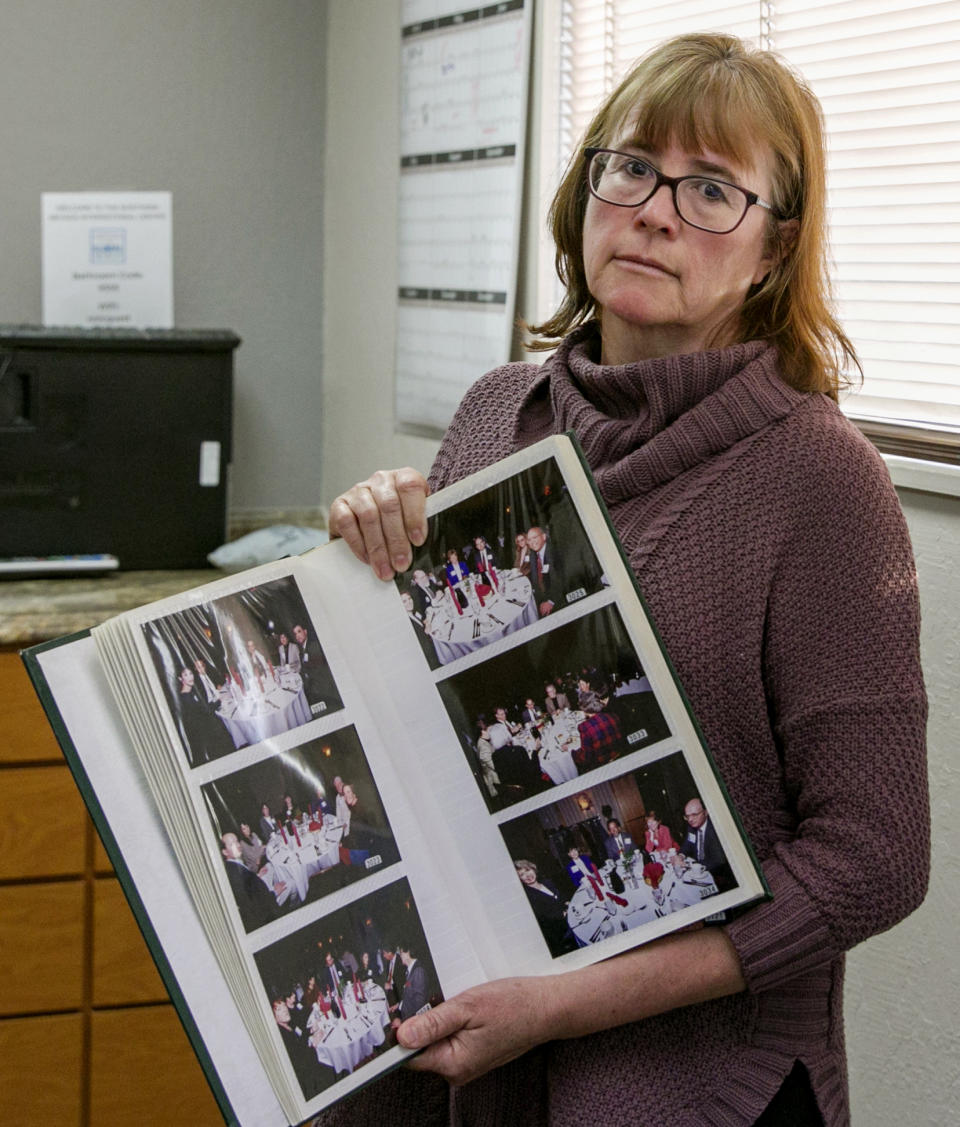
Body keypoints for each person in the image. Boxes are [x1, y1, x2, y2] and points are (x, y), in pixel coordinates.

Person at [325, 32, 928, 1127]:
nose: (655, 210)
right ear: (588, 185)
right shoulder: (495, 411)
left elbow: (875, 860)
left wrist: (561, 1004)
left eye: (711, 189)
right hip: (463, 1045)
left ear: (774, 249)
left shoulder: (823, 479)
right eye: (634, 166)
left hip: (689, 1084)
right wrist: (364, 566)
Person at [514, 859, 575, 958]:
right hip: (563, 932)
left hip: (571, 917)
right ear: (520, 880)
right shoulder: (529, 897)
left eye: (528, 870)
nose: (528, 876)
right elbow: (547, 917)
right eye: (522, 875)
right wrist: (564, 913)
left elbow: (561, 897)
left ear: (533, 869)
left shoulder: (547, 882)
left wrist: (567, 902)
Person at [176, 665, 234, 764]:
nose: (190, 677)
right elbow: (205, 712)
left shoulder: (191, 691)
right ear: (180, 678)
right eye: (186, 675)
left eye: (190, 674)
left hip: (208, 729)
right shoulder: (185, 697)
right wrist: (220, 700)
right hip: (205, 737)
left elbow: (203, 707)